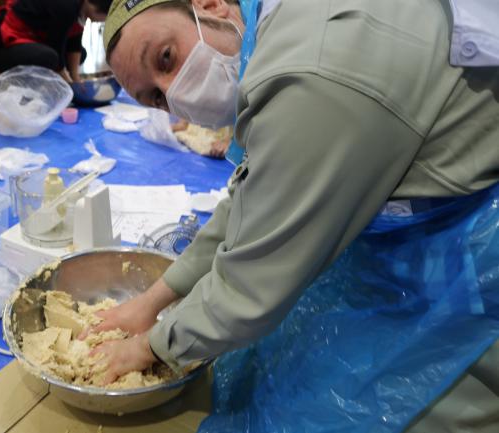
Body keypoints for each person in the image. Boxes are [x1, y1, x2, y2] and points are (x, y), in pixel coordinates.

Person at [81, 0, 499, 430]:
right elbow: (254, 196)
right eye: (156, 97)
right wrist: (153, 300)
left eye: (166, 58)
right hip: (415, 244)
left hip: (472, 282)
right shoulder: (276, 35)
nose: (175, 93)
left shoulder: (313, 73)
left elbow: (251, 289)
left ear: (209, 6)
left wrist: (149, 348)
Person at [0, 0, 111, 83]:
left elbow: (74, 43)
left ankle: (46, 82)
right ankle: (28, 86)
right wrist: (68, 83)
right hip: (2, 45)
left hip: (36, 42)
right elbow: (56, 46)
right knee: (50, 58)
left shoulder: (81, 8)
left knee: (81, 54)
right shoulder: (67, 5)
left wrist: (76, 79)